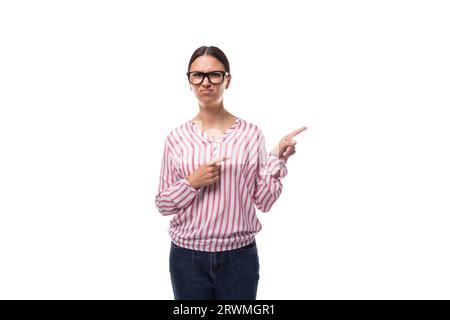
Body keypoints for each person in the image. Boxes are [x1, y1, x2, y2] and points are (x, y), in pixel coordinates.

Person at [155, 45, 307, 300]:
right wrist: (192, 182)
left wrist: (277, 160)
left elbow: (263, 201)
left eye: (215, 74)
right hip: (187, 259)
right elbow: (163, 204)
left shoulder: (250, 134)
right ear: (189, 81)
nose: (206, 82)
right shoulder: (176, 138)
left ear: (228, 79)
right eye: (197, 75)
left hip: (239, 258)